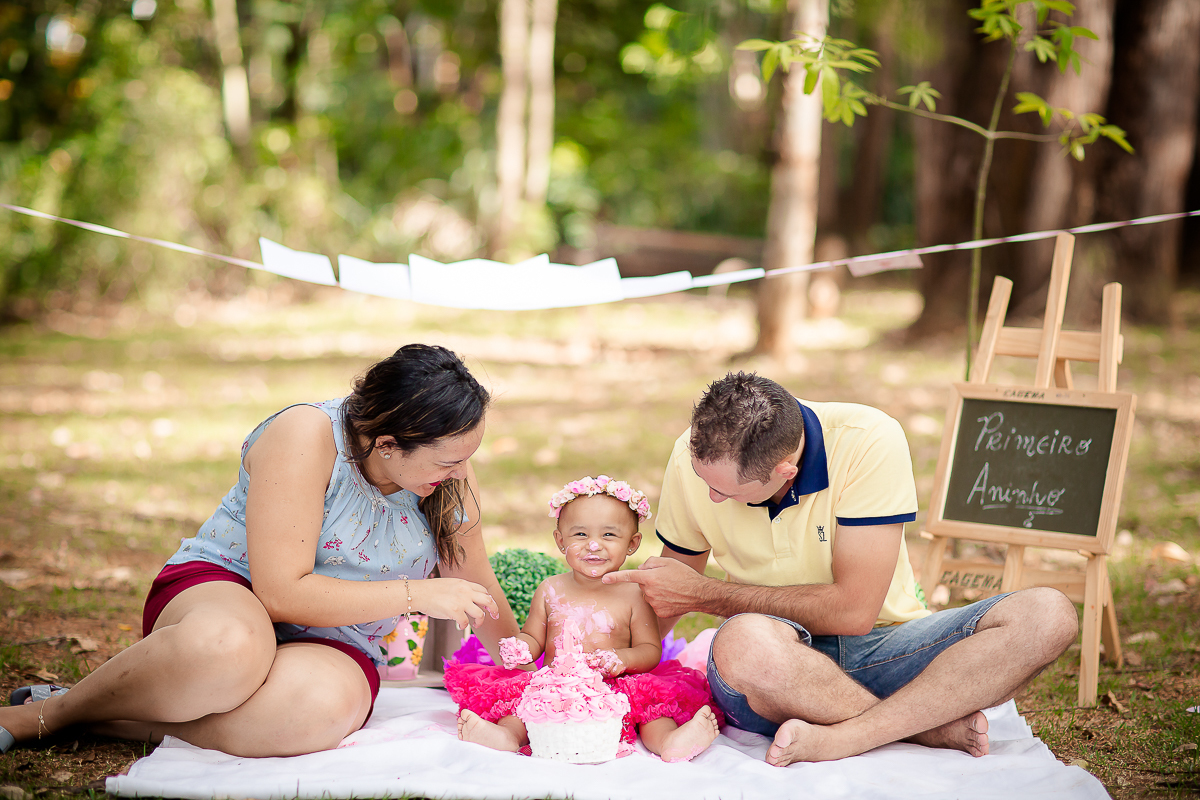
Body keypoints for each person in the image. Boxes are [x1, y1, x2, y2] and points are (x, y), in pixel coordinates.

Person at [0, 344, 519, 757]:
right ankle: (53, 714)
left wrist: (533, 681)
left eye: (464, 457)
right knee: (227, 648)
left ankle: (111, 718)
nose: (459, 472)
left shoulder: (447, 471)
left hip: (335, 637)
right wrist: (417, 593)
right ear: (387, 444)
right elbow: (279, 592)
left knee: (313, 712)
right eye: (447, 461)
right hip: (232, 591)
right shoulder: (308, 435)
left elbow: (476, 582)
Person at [604, 372, 1079, 766]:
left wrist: (708, 596)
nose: (711, 498)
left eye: (726, 492)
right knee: (743, 641)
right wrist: (591, 662)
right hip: (774, 676)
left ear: (785, 470)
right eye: (707, 483)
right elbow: (669, 590)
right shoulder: (696, 456)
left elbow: (854, 612)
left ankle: (850, 736)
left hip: (885, 646)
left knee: (1049, 614)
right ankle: (924, 728)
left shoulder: (869, 439)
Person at [446, 475, 721, 763]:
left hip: (617, 685)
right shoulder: (550, 589)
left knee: (653, 711)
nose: (593, 546)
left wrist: (622, 659)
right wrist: (522, 648)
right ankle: (506, 736)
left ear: (633, 543)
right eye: (580, 535)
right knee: (523, 705)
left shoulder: (634, 595)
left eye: (609, 535)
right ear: (560, 540)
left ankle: (669, 741)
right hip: (556, 686)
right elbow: (534, 638)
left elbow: (650, 650)